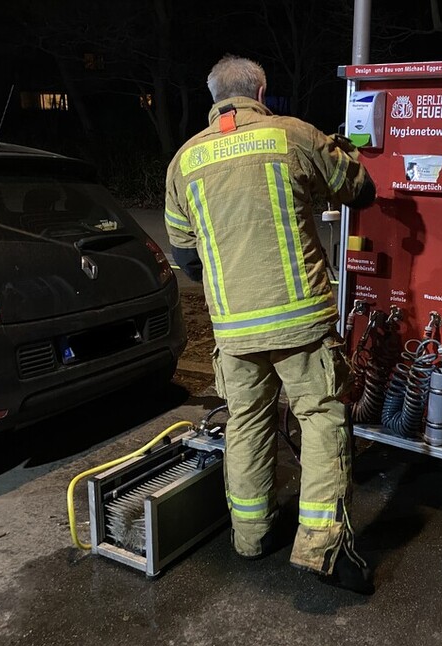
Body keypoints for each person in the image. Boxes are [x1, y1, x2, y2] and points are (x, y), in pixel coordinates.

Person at [164, 54, 377, 594]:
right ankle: (321, 550)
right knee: (323, 420)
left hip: (233, 331)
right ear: (261, 87)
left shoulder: (183, 162)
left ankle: (251, 537)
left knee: (247, 424)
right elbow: (361, 188)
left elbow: (186, 257)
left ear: (215, 97)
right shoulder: (294, 136)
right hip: (301, 325)